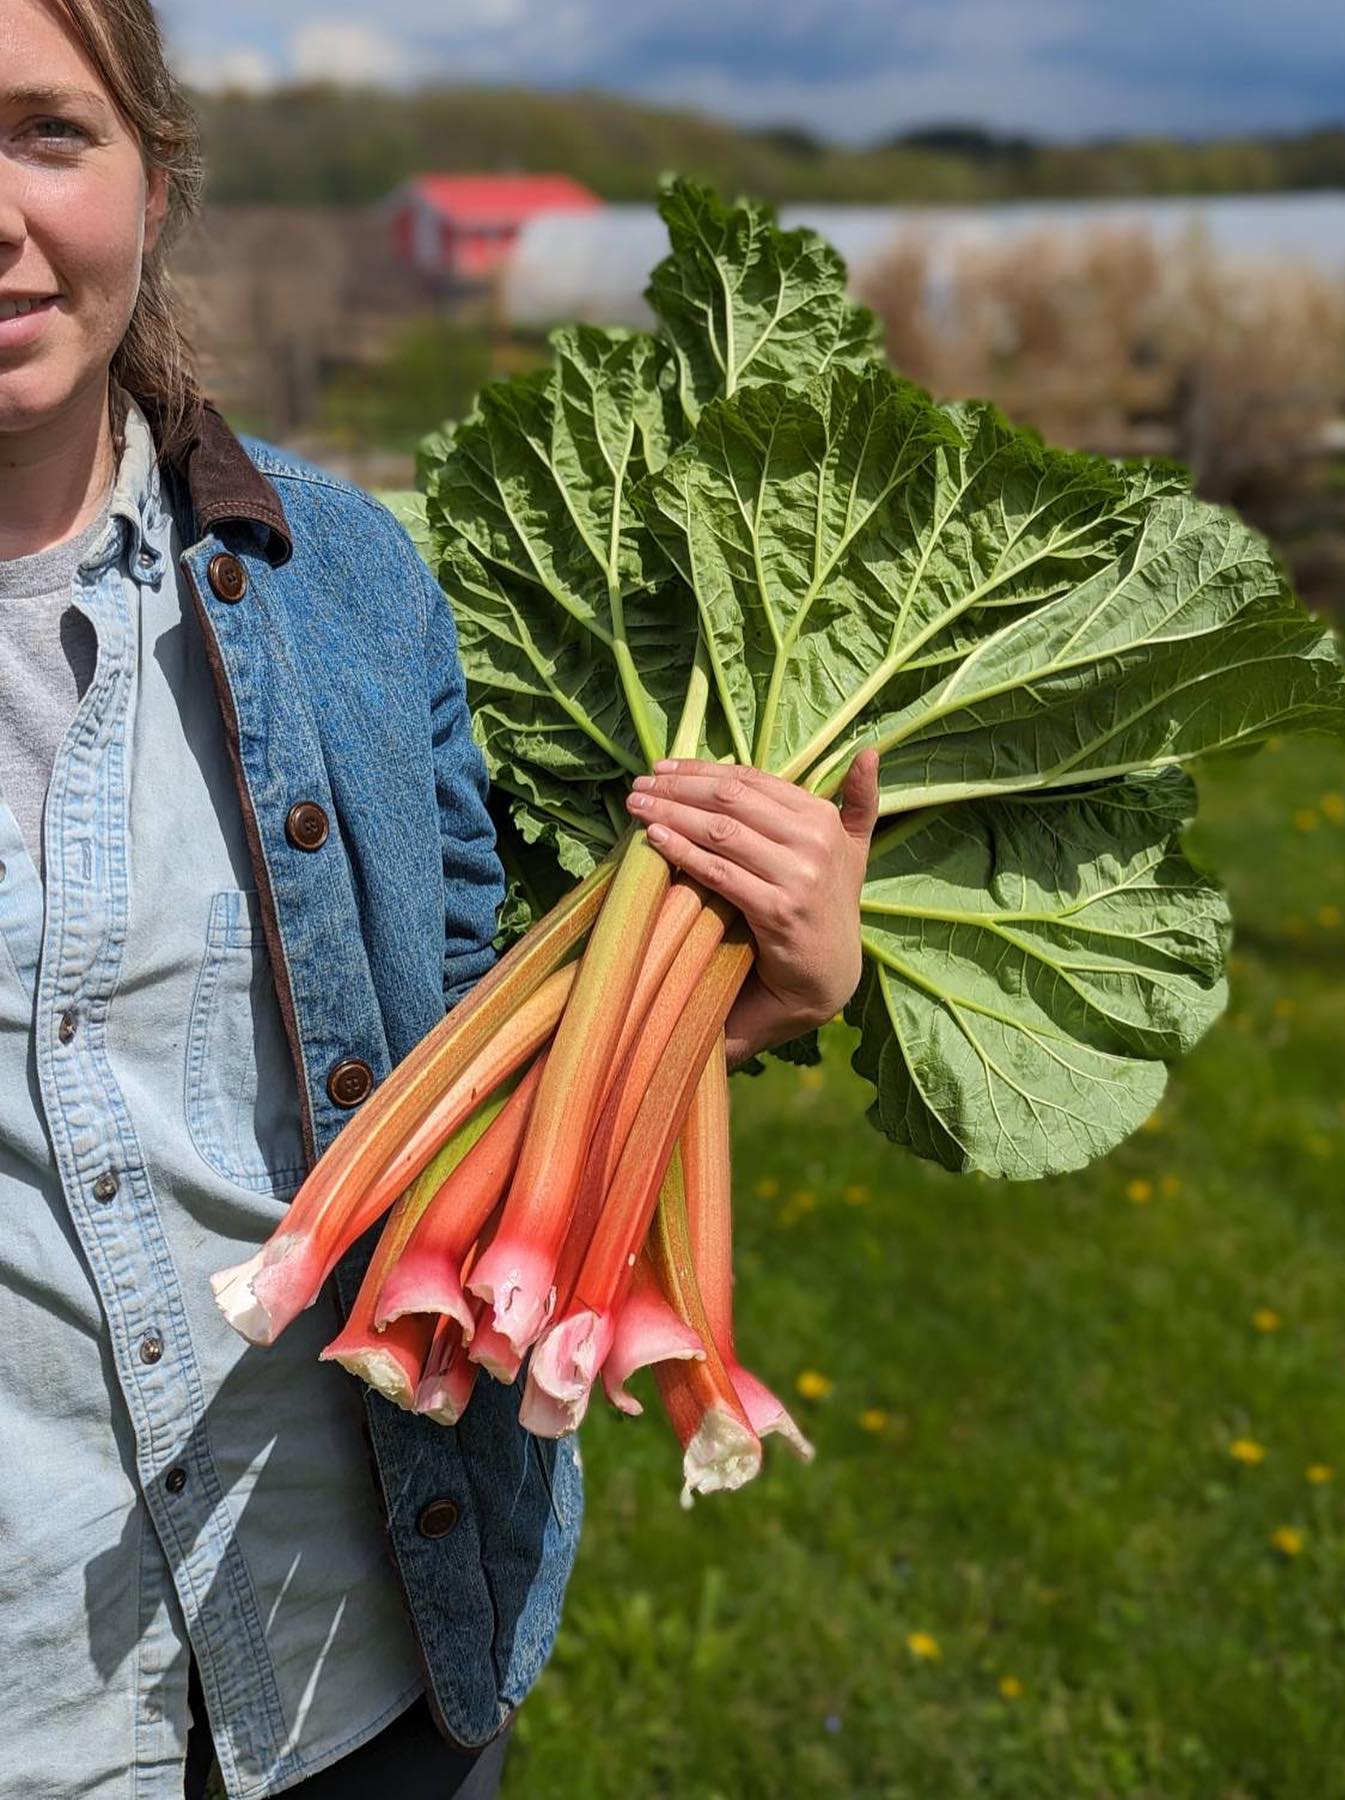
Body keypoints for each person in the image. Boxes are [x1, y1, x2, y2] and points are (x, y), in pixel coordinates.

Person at [0, 2, 879, 1795]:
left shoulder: (346, 585)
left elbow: (469, 1023)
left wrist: (739, 983)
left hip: (362, 1664)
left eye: (45, 132)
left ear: (154, 181)